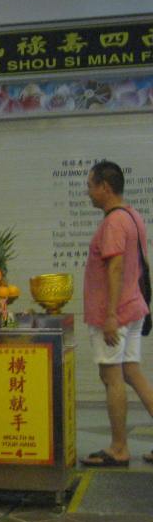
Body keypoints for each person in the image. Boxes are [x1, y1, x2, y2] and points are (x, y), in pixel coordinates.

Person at [81, 160, 153, 467]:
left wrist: (110, 316)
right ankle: (120, 444)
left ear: (105, 188)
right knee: (132, 373)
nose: (88, 192)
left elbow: (115, 267)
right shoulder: (132, 216)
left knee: (112, 378)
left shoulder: (113, 223)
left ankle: (119, 447)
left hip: (116, 314)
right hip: (134, 307)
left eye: (90, 186)